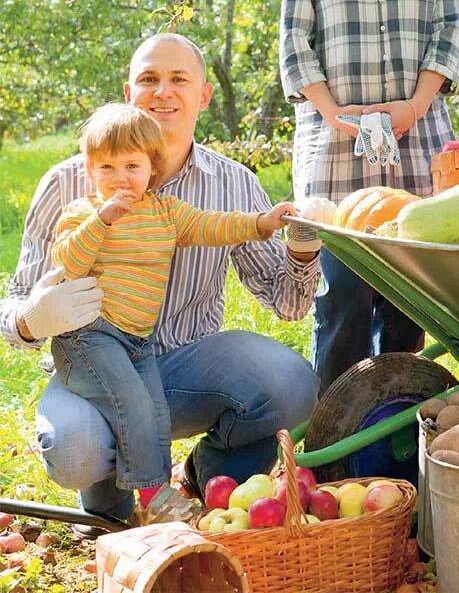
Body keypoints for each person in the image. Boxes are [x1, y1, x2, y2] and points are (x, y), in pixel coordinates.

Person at [0, 34, 321, 529]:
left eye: (178, 79)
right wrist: (31, 317)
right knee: (76, 449)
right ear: (129, 92)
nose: (163, 92)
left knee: (290, 384)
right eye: (149, 79)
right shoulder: (70, 186)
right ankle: (110, 510)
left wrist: (298, 247)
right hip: (90, 359)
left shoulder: (228, 184)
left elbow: (285, 301)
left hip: (180, 367)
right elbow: (17, 300)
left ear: (204, 95)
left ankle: (211, 481)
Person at [279, 0, 459, 391]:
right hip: (335, 141)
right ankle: (332, 452)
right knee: (342, 303)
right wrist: (333, 113)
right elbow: (293, 37)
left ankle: (394, 440)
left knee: (411, 300)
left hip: (419, 137)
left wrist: (414, 105)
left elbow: (450, 28)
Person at [49, 103, 297, 523]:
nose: (119, 177)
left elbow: (213, 225)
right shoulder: (83, 212)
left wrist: (262, 222)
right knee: (131, 402)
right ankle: (154, 496)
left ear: (152, 168)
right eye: (106, 167)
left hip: (135, 339)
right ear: (91, 171)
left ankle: (148, 498)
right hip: (88, 335)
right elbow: (67, 263)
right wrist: (102, 220)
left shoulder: (165, 212)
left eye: (131, 165)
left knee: (155, 411)